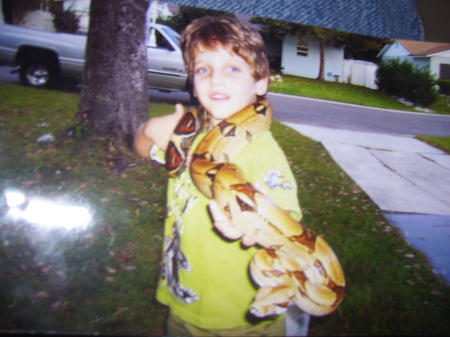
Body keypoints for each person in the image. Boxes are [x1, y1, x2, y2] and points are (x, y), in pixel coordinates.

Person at [134, 16, 305, 336]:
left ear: (261, 83)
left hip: (240, 316)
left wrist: (250, 225)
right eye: (203, 69)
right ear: (193, 82)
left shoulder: (261, 152)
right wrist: (149, 130)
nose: (215, 80)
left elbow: (289, 227)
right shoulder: (185, 133)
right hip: (183, 299)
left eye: (233, 69)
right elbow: (142, 149)